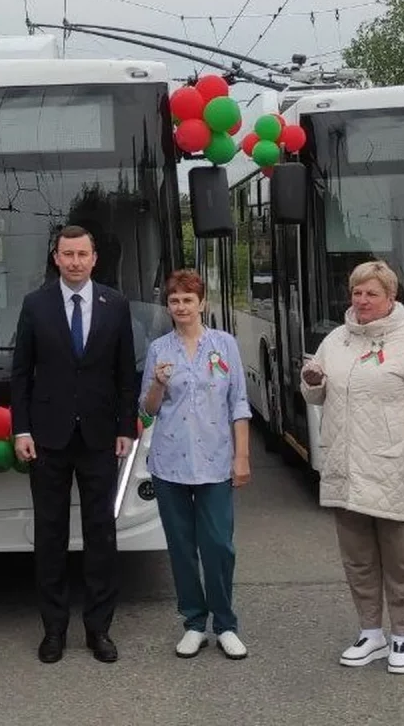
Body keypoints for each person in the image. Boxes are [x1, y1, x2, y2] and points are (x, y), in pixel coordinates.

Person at [300, 260, 404, 675]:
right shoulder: (336, 340)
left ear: (390, 298)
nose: (362, 301)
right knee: (358, 560)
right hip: (345, 467)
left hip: (393, 470)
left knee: (401, 562)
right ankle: (371, 632)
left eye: (371, 294)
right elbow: (314, 396)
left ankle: (403, 634)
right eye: (357, 293)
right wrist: (312, 380)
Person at [11, 224, 137, 664]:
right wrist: (21, 430)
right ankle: (54, 630)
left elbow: (126, 373)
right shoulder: (35, 305)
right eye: (67, 254)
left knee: (101, 535)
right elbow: (21, 373)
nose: (75, 262)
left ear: (94, 257)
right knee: (50, 536)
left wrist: (126, 428)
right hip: (47, 439)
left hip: (101, 438)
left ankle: (99, 629)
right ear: (56, 257)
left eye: (82, 254)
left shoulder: (115, 304)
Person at [139, 270, 252, 661]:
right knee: (182, 548)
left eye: (189, 300)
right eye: (175, 301)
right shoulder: (159, 349)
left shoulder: (225, 345)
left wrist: (242, 456)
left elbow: (238, 402)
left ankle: (225, 624)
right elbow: (148, 410)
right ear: (168, 306)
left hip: (216, 461)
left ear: (202, 303)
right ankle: (193, 622)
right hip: (169, 463)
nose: (181, 307)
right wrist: (156, 383)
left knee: (219, 545)